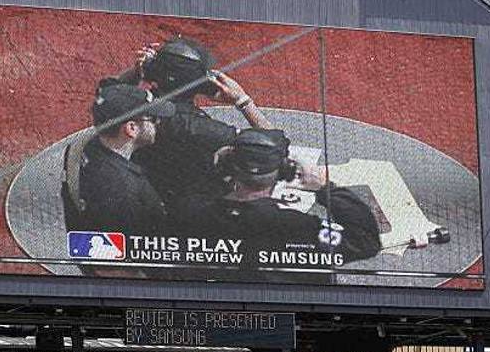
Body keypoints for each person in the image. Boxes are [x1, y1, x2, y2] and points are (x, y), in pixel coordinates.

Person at [173, 129, 382, 272]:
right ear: (284, 172)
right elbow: (365, 241)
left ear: (226, 166)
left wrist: (215, 174)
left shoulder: (190, 212)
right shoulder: (298, 225)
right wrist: (325, 188)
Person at [105, 37, 273, 203]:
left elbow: (107, 91)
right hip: (188, 207)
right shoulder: (205, 129)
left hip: (139, 193)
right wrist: (243, 100)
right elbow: (273, 145)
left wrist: (137, 73)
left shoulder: (127, 106)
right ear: (202, 84)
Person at [62, 83, 176, 234]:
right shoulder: (124, 193)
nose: (158, 122)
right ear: (131, 128)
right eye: (153, 118)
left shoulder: (81, 147)